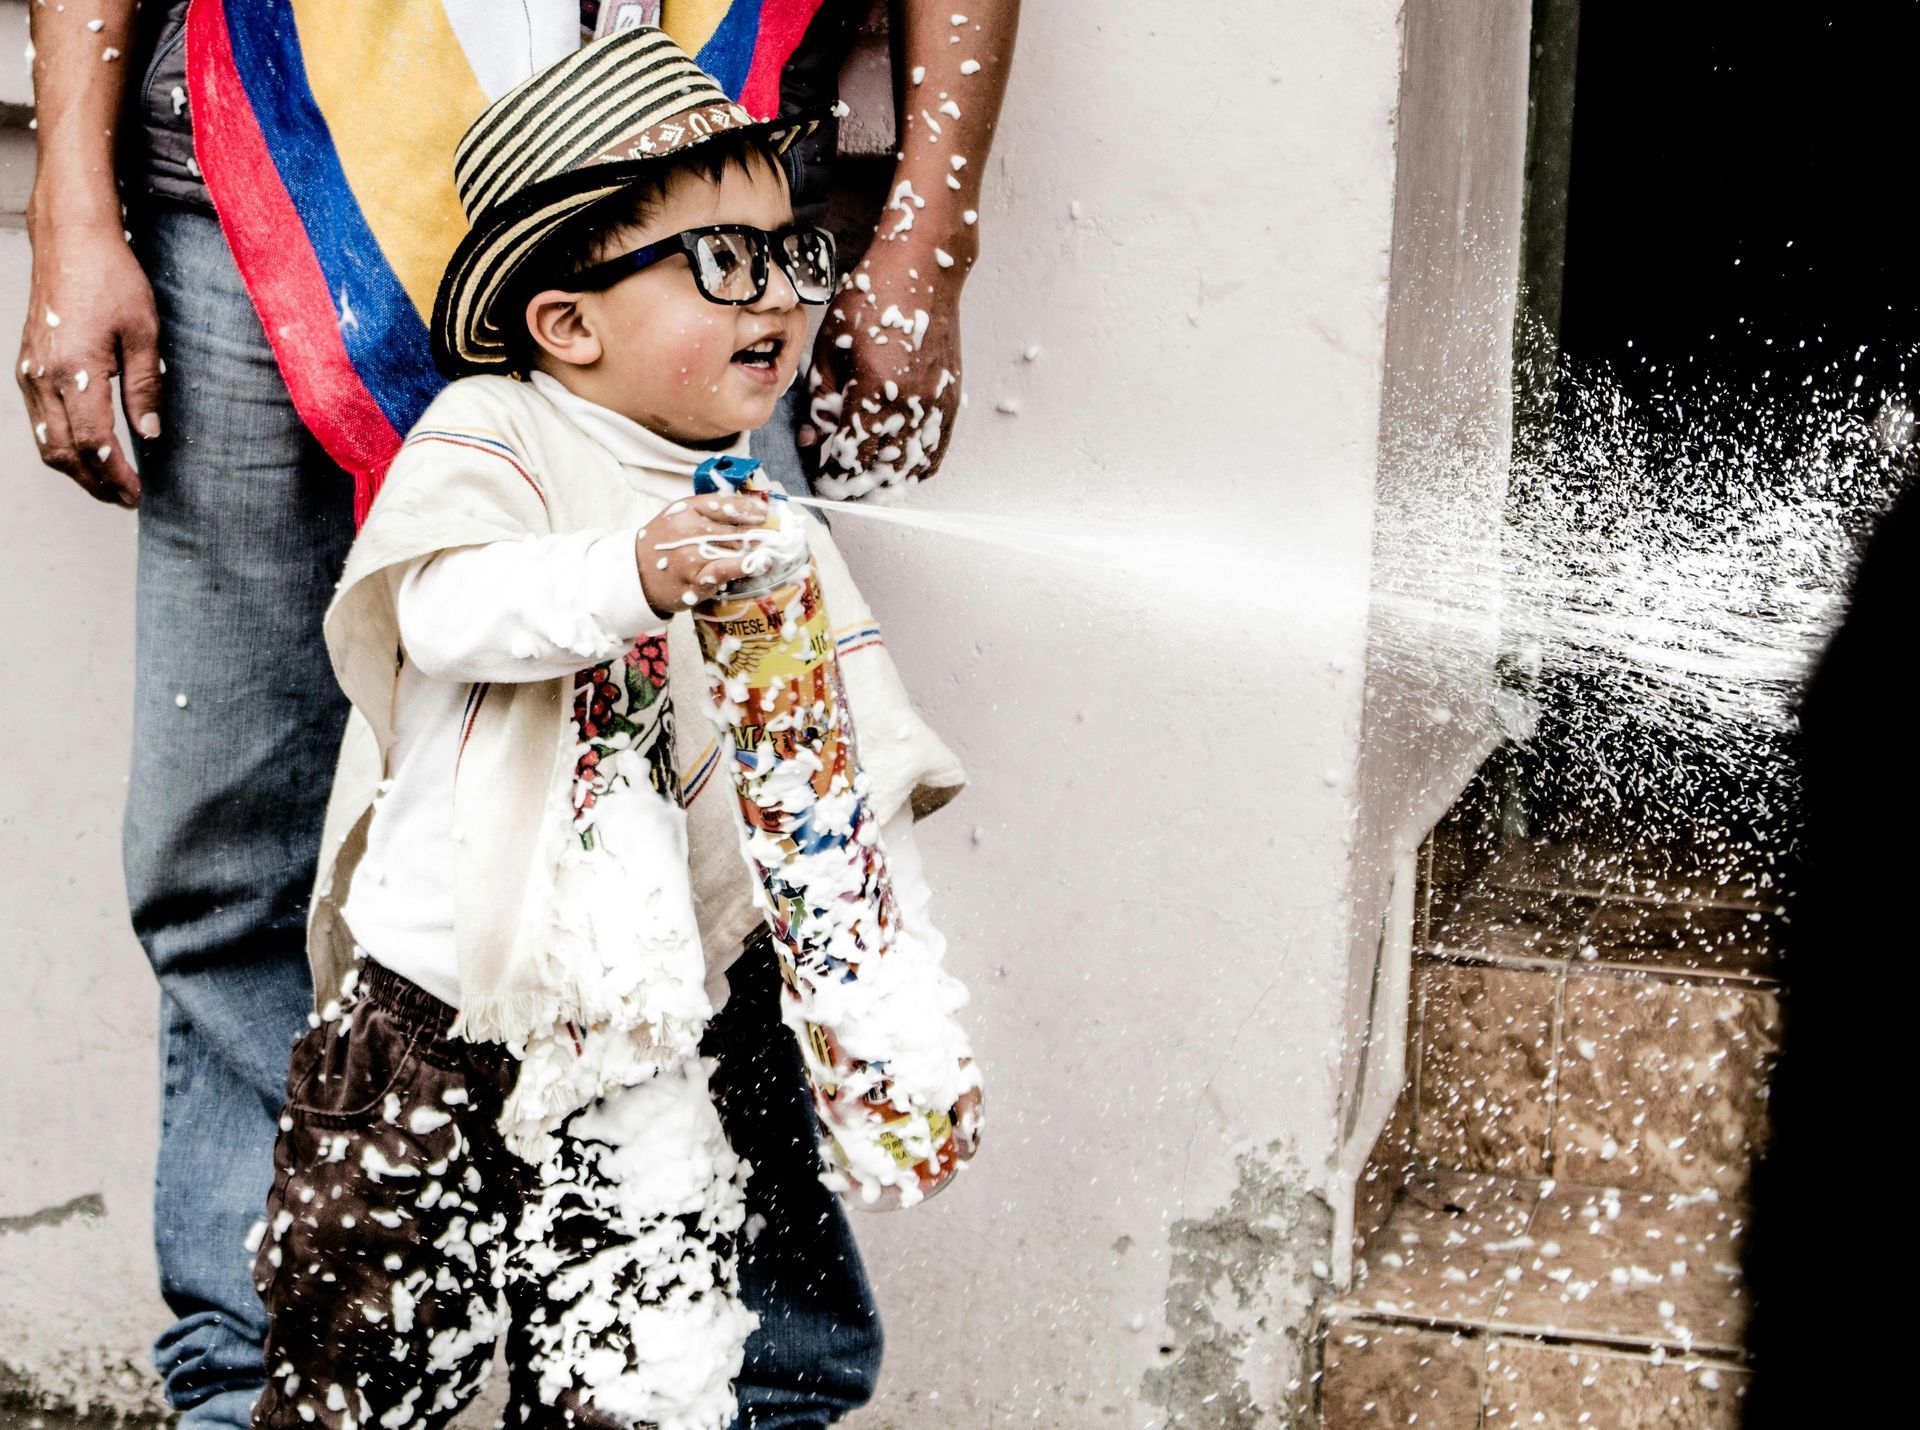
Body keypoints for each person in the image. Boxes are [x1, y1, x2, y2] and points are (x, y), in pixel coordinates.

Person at [14, 3, 1016, 1424]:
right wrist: (73, 203)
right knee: (240, 867)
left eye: (790, 264)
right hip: (279, 131)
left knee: (716, 924)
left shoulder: (748, 435)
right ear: (554, 321)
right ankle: (256, 1384)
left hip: (694, 111)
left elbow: (834, 799)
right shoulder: (487, 455)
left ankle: (748, 1385)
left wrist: (889, 1014)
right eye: (757, 267)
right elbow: (438, 607)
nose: (780, 299)